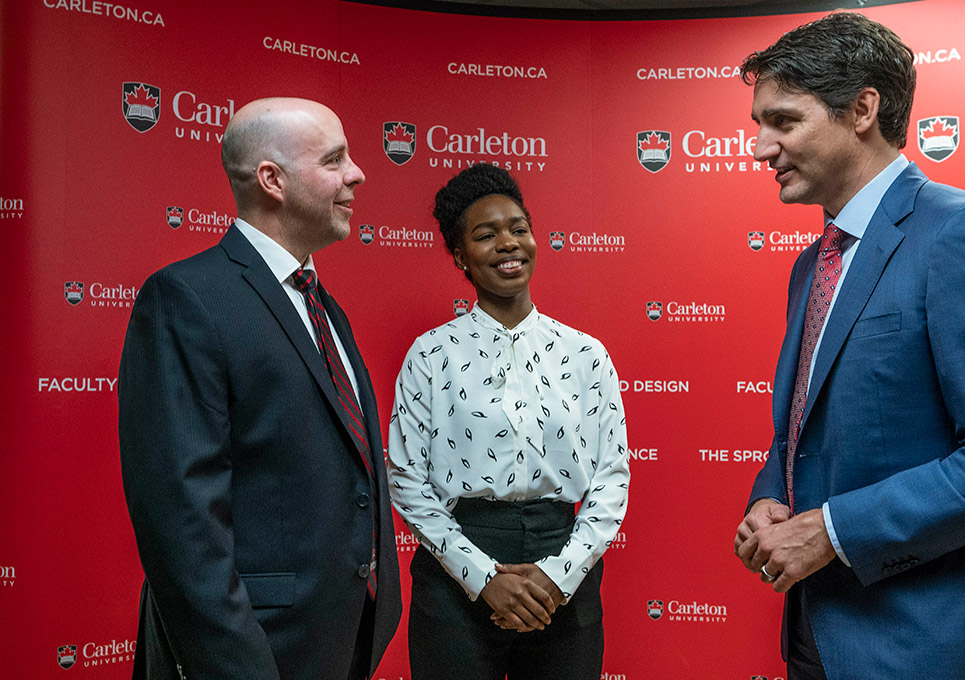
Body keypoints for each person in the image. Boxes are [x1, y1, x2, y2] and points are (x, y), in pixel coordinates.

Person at [731, 13, 965, 680]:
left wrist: (832, 531)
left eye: (782, 121)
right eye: (758, 125)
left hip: (934, 648)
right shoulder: (813, 263)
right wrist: (768, 496)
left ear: (861, 109)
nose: (759, 147)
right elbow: (809, 425)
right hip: (815, 635)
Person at [118, 97, 401, 680]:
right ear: (272, 180)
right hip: (252, 654)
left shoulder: (325, 309)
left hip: (339, 642)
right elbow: (181, 519)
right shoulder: (186, 298)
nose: (358, 173)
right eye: (334, 159)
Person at [388, 164, 629, 680]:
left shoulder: (585, 353)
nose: (507, 243)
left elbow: (611, 477)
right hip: (456, 572)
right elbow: (406, 477)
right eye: (485, 234)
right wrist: (482, 577)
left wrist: (557, 577)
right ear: (460, 256)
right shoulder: (431, 355)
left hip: (563, 562)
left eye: (518, 228)